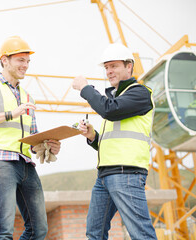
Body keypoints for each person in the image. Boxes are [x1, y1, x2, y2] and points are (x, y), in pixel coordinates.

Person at [0, 36, 61, 240]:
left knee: (39, 229)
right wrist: (10, 114)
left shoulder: (27, 97)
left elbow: (32, 140)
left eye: (27, 61)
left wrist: (47, 146)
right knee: (3, 230)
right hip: (0, 162)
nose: (25, 65)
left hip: (26, 164)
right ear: (4, 60)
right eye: (20, 60)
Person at [72, 43, 157, 240]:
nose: (109, 71)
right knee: (94, 234)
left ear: (129, 66)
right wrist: (93, 136)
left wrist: (85, 88)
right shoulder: (116, 98)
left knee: (141, 234)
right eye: (107, 67)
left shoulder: (140, 93)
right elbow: (111, 141)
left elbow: (109, 110)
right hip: (105, 175)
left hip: (126, 173)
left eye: (114, 66)